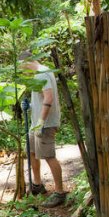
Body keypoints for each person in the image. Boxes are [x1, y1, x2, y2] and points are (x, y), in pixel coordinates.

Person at [19, 51, 66, 208]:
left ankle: (59, 192)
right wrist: (30, 106)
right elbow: (40, 100)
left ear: (25, 63)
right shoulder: (36, 75)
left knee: (48, 156)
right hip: (36, 123)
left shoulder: (41, 73)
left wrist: (41, 121)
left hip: (45, 123)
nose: (22, 72)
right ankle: (37, 184)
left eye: (21, 68)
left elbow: (49, 98)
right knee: (32, 153)